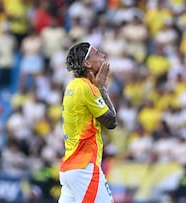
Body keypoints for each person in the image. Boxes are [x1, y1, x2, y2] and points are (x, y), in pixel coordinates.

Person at [59, 42, 117, 203]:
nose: (103, 56)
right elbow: (111, 121)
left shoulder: (73, 85)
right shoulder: (86, 87)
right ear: (87, 63)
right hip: (84, 166)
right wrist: (102, 88)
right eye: (97, 53)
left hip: (70, 167)